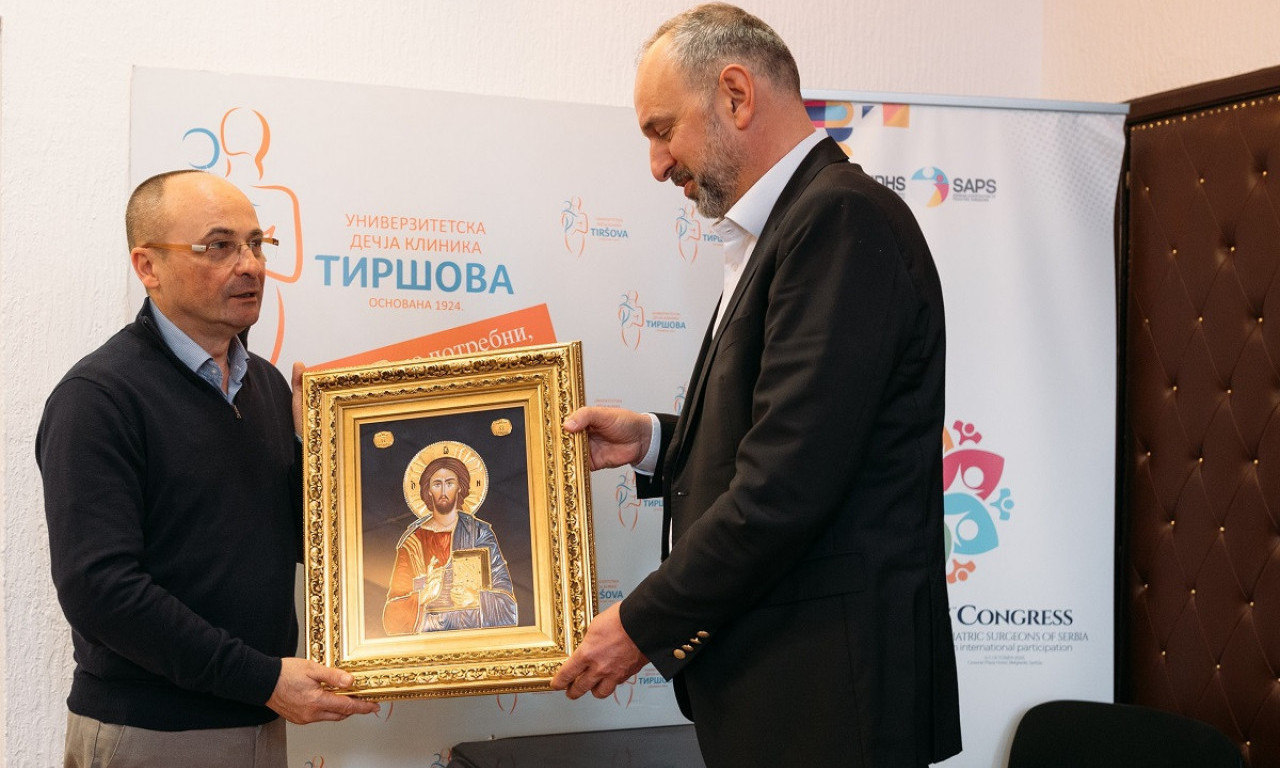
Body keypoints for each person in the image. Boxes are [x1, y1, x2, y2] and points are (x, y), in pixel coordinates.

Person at [550, 5, 962, 767]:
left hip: (829, 703)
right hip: (796, 695)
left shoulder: (838, 220)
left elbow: (786, 483)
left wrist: (641, 624)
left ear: (736, 95)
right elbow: (794, 434)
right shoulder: (793, 224)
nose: (657, 164)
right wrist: (656, 440)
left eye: (662, 130)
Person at [36, 170, 379, 768]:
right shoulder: (98, 397)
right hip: (152, 732)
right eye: (219, 246)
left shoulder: (266, 385)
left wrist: (317, 451)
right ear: (148, 266)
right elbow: (101, 591)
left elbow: (304, 543)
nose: (250, 265)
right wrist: (262, 679)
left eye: (256, 243)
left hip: (260, 720)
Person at [383, 454, 518, 633]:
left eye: (449, 483)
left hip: (473, 637)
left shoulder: (479, 534)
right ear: (428, 490)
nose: (443, 491)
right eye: (437, 484)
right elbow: (391, 619)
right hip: (427, 640)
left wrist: (476, 598)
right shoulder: (413, 543)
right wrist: (423, 597)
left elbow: (509, 607)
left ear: (460, 487)